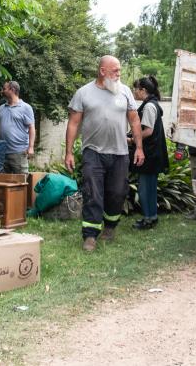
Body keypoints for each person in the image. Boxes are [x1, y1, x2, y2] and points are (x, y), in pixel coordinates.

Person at [65, 55, 144, 252]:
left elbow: (134, 120)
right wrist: (69, 152)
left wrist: (139, 147)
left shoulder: (125, 91)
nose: (119, 74)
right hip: (93, 152)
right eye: (115, 70)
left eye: (119, 70)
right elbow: (73, 123)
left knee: (117, 193)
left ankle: (110, 227)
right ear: (102, 71)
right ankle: (90, 235)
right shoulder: (83, 93)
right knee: (92, 193)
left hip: (120, 153)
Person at [130, 76, 169, 230]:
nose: (134, 91)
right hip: (154, 153)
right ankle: (152, 217)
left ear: (143, 90)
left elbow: (148, 131)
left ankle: (148, 219)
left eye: (136, 89)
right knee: (150, 188)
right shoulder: (153, 104)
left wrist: (131, 139)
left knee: (145, 189)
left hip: (149, 154)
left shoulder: (149, 107)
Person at [0, 81, 36, 174]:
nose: (2, 91)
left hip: (19, 152)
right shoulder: (1, 108)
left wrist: (31, 147)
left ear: (12, 90)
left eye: (4, 89)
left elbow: (31, 128)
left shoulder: (26, 108)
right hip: (2, 152)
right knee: (2, 181)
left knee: (20, 181)